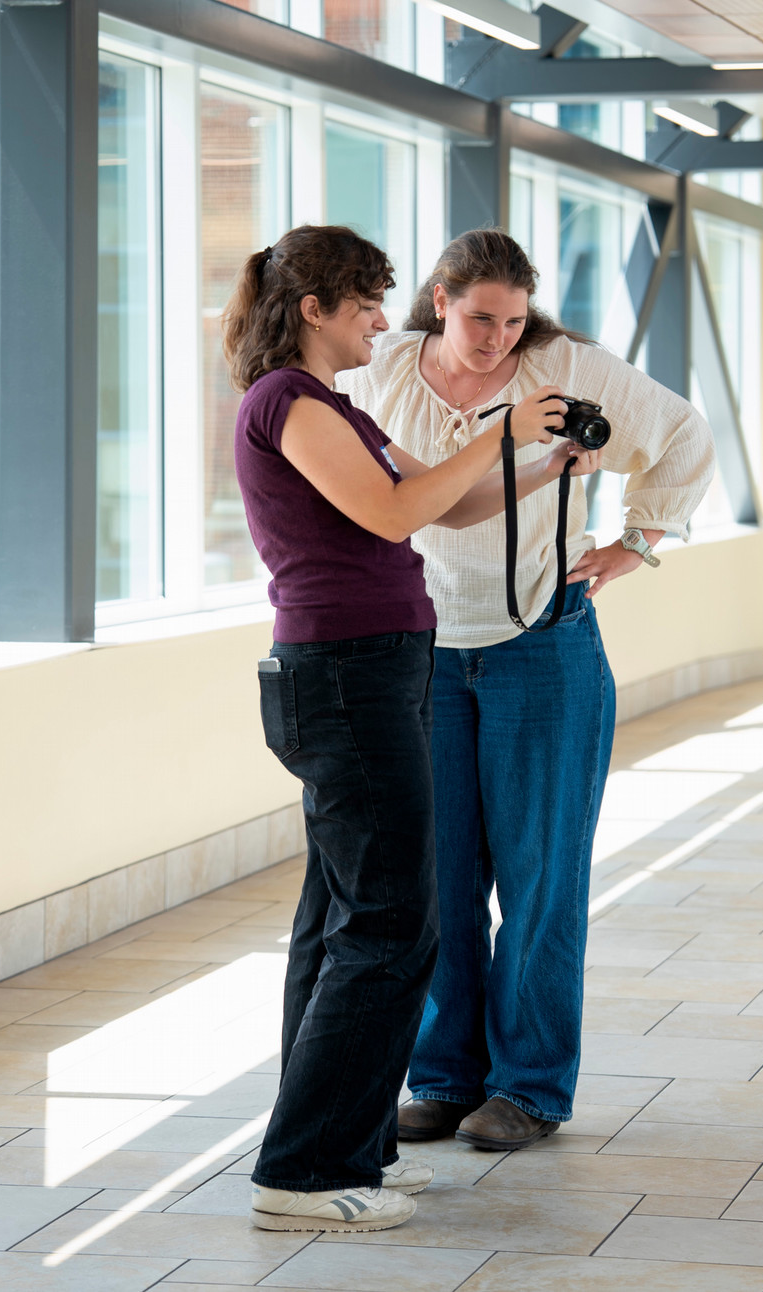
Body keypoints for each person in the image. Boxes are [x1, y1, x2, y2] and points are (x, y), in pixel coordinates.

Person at [224, 224, 594, 1234]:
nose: (384, 324)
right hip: (345, 682)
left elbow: (439, 506)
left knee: (343, 920)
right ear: (314, 308)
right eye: (368, 305)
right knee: (392, 922)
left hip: (374, 675)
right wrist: (498, 429)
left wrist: (542, 459)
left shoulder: (333, 408)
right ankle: (303, 1171)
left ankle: (347, 1143)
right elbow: (389, 519)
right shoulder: (286, 405)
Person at [343, 227, 715, 1151]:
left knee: (541, 878)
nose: (496, 340)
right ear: (440, 302)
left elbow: (683, 436)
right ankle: (442, 1075)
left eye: (511, 321)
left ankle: (531, 1089)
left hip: (542, 651)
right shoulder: (381, 368)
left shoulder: (564, 365)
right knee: (441, 878)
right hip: (424, 650)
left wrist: (635, 542)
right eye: (478, 319)